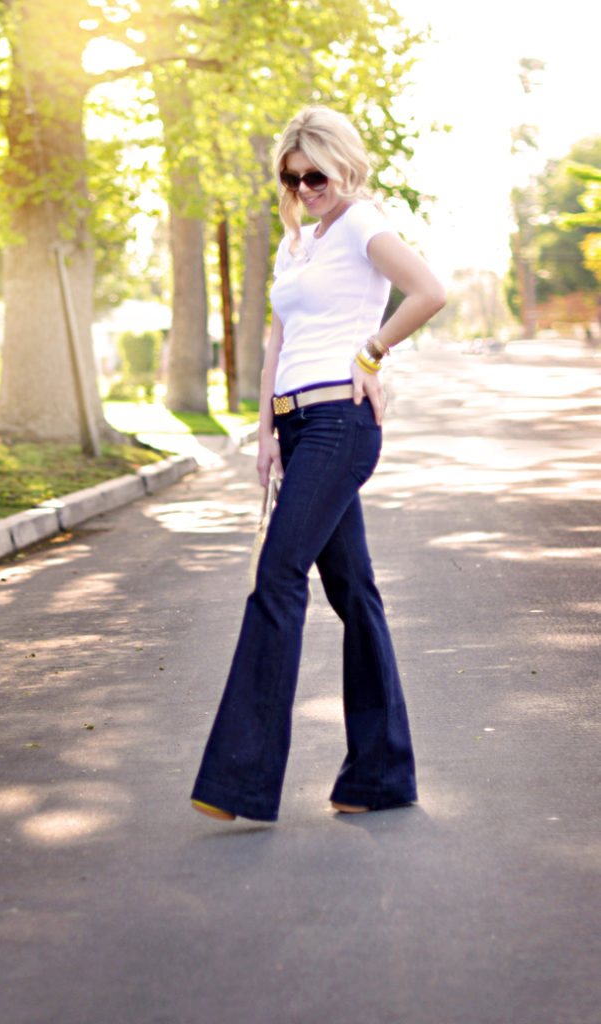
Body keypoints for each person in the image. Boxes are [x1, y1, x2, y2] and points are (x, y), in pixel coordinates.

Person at [191, 106, 445, 823]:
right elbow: (278, 341)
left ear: (344, 167)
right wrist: (267, 431)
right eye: (292, 178)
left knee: (276, 577)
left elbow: (430, 291)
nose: (305, 189)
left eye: (316, 176)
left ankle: (237, 781)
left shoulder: (364, 222)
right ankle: (381, 774)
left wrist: (372, 352)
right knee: (354, 591)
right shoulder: (295, 244)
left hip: (340, 420)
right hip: (299, 429)